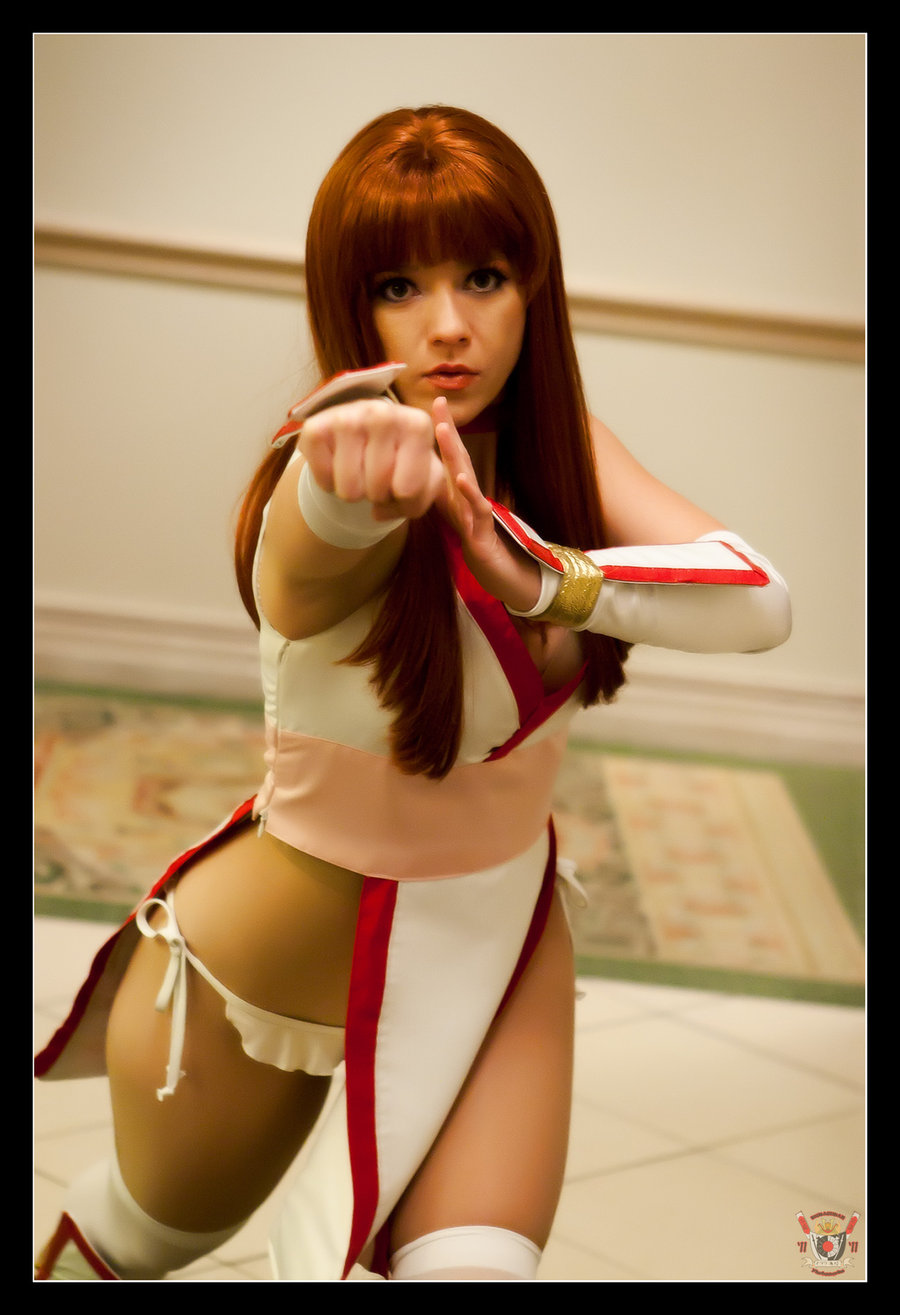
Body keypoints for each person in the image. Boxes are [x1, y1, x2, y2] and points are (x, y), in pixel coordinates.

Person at [35, 105, 791, 1282]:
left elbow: (760, 600)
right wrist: (344, 487)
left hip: (495, 939)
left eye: (483, 276)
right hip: (266, 964)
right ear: (352, 306)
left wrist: (538, 576)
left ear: (533, 288)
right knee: (144, 1238)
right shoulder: (330, 469)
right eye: (400, 285)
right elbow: (304, 560)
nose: (448, 325)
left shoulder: (563, 451)